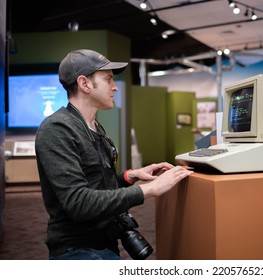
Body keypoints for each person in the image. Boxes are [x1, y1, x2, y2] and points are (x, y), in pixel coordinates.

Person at [35, 49, 193, 260]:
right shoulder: (56, 129)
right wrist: (150, 189)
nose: (115, 87)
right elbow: (79, 202)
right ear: (84, 84)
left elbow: (96, 183)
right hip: (77, 249)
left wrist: (129, 176)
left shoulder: (94, 127)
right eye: (108, 79)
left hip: (104, 243)